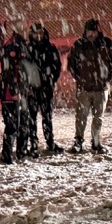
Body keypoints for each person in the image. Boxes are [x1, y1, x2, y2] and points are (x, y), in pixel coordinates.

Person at [66, 18, 112, 154]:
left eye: (93, 31)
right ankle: (79, 141)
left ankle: (96, 142)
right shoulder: (79, 45)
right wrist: (79, 79)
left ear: (97, 31)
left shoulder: (106, 44)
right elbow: (71, 64)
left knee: (98, 117)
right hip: (85, 87)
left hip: (101, 88)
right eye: (89, 31)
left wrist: (107, 77)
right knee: (81, 116)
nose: (91, 34)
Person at [27, 22, 64, 155]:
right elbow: (23, 69)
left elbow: (57, 66)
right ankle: (34, 143)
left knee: (47, 117)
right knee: (31, 118)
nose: (38, 35)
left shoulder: (50, 48)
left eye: (40, 33)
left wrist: (51, 79)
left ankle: (49, 141)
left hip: (45, 88)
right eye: (36, 33)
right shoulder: (28, 49)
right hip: (32, 89)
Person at [0, 29, 33, 164]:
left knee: (22, 123)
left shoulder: (22, 47)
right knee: (13, 124)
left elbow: (26, 72)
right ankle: (9, 155)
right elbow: (9, 72)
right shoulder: (13, 48)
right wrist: (14, 90)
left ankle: (20, 152)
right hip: (11, 92)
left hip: (20, 92)